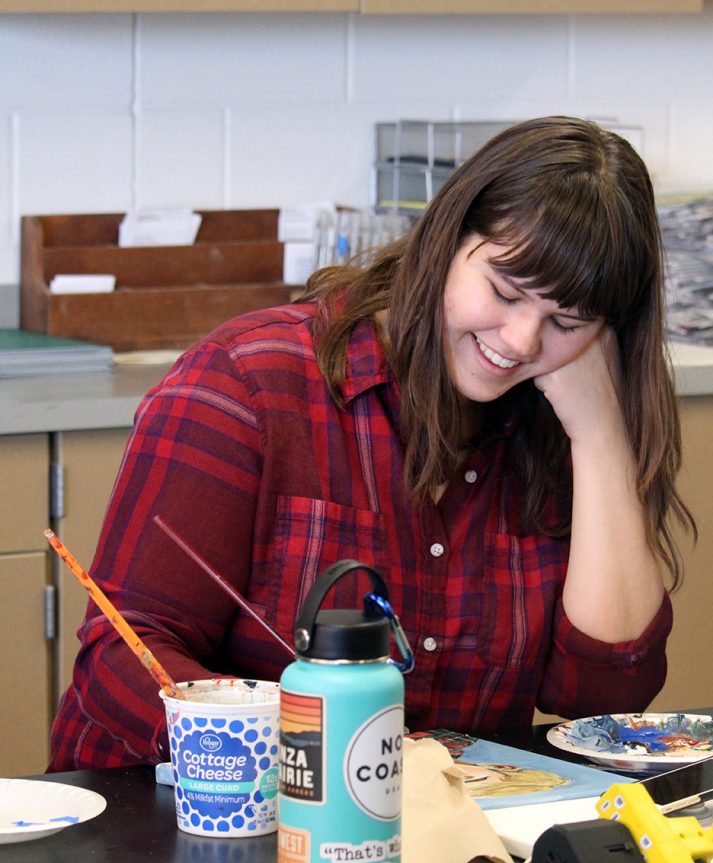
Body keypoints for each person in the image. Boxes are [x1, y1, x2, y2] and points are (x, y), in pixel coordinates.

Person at [48, 116, 695, 772]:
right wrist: (310, 758)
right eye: (504, 291)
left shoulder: (554, 414)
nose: (521, 341)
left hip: (429, 839)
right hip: (179, 824)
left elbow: (605, 698)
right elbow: (121, 659)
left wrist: (600, 438)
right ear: (445, 241)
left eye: (565, 320)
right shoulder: (250, 382)